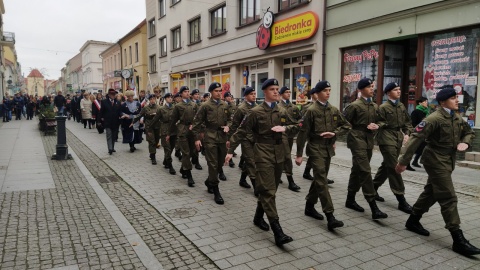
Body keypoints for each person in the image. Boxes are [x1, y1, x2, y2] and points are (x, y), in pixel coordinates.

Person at [396, 88, 480, 256]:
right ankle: (458, 239)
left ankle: (413, 220)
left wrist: (466, 143)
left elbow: (469, 132)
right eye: (453, 98)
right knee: (448, 196)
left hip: (448, 160)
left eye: (457, 97)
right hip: (435, 159)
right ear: (442, 102)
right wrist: (403, 161)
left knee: (432, 192)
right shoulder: (433, 118)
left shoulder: (456, 117)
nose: (457, 100)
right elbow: (415, 138)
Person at [226, 78, 296, 247]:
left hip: (279, 153)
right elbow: (241, 131)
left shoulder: (282, 111)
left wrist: (285, 128)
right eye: (272, 89)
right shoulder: (255, 112)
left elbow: (298, 125)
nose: (276, 92)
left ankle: (258, 217)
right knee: (268, 191)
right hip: (263, 152)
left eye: (277, 89)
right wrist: (230, 151)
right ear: (264, 92)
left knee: (269, 191)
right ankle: (277, 230)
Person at [295, 81, 349, 231]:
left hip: (327, 149)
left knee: (319, 179)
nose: (328, 93)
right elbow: (303, 133)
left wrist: (334, 134)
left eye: (329, 90)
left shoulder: (333, 109)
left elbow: (346, 126)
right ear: (317, 93)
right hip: (315, 148)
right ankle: (330, 216)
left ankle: (309, 206)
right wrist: (299, 154)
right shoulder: (311, 110)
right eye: (325, 90)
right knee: (322, 180)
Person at [343, 78, 388, 220]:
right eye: (369, 87)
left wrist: (378, 125)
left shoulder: (375, 106)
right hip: (356, 138)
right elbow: (343, 122)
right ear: (361, 89)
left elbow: (382, 120)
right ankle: (373, 206)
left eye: (373, 86)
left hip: (368, 140)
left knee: (357, 170)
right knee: (365, 170)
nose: (372, 89)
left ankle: (350, 199)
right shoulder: (354, 106)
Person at [372, 82, 413, 214]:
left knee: (387, 165)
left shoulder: (401, 106)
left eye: (399, 89)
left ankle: (372, 188)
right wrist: (379, 125)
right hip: (385, 137)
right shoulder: (383, 107)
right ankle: (401, 199)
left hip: (397, 138)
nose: (399, 91)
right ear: (388, 93)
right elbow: (379, 122)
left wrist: (407, 133)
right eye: (395, 90)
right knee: (394, 167)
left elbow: (407, 123)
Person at [193, 83, 232, 204]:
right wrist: (197, 139)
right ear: (211, 92)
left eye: (220, 91)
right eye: (216, 91)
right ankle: (216, 189)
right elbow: (196, 123)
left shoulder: (225, 105)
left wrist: (228, 126)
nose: (219, 93)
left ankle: (209, 181)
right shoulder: (205, 106)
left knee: (220, 163)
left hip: (222, 137)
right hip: (210, 137)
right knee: (213, 164)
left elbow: (231, 119)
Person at [168, 86, 198, 187]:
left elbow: (198, 118)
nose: (187, 93)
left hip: (192, 130)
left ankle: (182, 169)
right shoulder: (178, 106)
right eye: (185, 91)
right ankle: (189, 176)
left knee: (192, 152)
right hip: (182, 129)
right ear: (181, 94)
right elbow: (173, 120)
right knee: (186, 152)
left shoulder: (193, 104)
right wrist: (169, 133)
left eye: (188, 91)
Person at [228, 87, 256, 192]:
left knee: (249, 160)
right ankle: (256, 186)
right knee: (251, 161)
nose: (254, 95)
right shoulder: (241, 109)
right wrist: (230, 140)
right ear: (245, 96)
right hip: (245, 138)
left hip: (255, 139)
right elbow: (235, 126)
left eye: (254, 93)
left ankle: (242, 179)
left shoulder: (257, 107)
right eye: (251, 94)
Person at [277, 86, 301, 192]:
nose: (288, 93)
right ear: (281, 94)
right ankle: (290, 181)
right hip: (282, 134)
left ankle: (277, 176)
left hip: (291, 134)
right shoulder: (278, 107)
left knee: (283, 156)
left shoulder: (294, 107)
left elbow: (300, 118)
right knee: (287, 156)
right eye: (286, 92)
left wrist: (299, 124)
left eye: (289, 92)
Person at [152, 93, 177, 175]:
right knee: (167, 148)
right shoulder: (161, 109)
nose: (170, 99)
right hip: (165, 130)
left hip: (173, 130)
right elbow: (155, 119)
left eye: (171, 97)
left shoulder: (175, 107)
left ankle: (166, 160)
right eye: (169, 97)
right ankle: (170, 166)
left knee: (172, 147)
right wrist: (149, 128)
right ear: (165, 99)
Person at [132, 94, 160, 164]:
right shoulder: (146, 108)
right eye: (151, 99)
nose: (153, 100)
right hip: (149, 127)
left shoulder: (159, 107)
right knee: (152, 141)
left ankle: (151, 153)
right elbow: (139, 115)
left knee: (156, 141)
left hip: (157, 126)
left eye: (154, 99)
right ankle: (153, 157)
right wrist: (133, 121)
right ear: (149, 100)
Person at [98, 89, 122, 155]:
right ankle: (110, 149)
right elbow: (101, 112)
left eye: (114, 94)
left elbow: (120, 112)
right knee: (109, 135)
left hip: (115, 122)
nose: (113, 96)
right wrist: (98, 121)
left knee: (114, 136)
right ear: (109, 95)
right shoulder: (104, 102)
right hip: (107, 122)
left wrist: (122, 115)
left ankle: (112, 147)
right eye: (111, 94)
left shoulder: (118, 102)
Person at [409, 97, 429, 169]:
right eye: (425, 101)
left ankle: (415, 161)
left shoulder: (426, 112)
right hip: (417, 133)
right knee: (413, 148)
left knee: (422, 148)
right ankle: (406, 162)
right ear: (420, 103)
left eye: (427, 101)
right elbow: (413, 123)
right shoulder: (416, 112)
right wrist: (417, 129)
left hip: (424, 134)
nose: (427, 103)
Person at [224, 92, 237, 168]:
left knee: (230, 143)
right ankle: (229, 159)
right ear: (225, 97)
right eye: (228, 96)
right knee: (225, 143)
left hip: (231, 127)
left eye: (230, 96)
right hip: (224, 127)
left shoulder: (234, 106)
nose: (229, 98)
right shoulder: (223, 105)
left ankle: (230, 158)